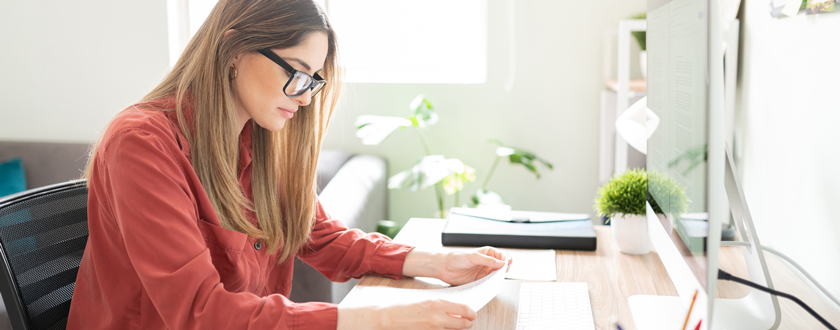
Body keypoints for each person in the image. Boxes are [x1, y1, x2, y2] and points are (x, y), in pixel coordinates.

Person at [67, 0, 511, 329]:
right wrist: (378, 318)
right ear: (233, 50)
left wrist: (434, 263)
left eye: (314, 82)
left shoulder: (259, 139)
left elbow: (321, 236)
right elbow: (199, 312)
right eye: (296, 73)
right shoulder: (142, 144)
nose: (304, 96)